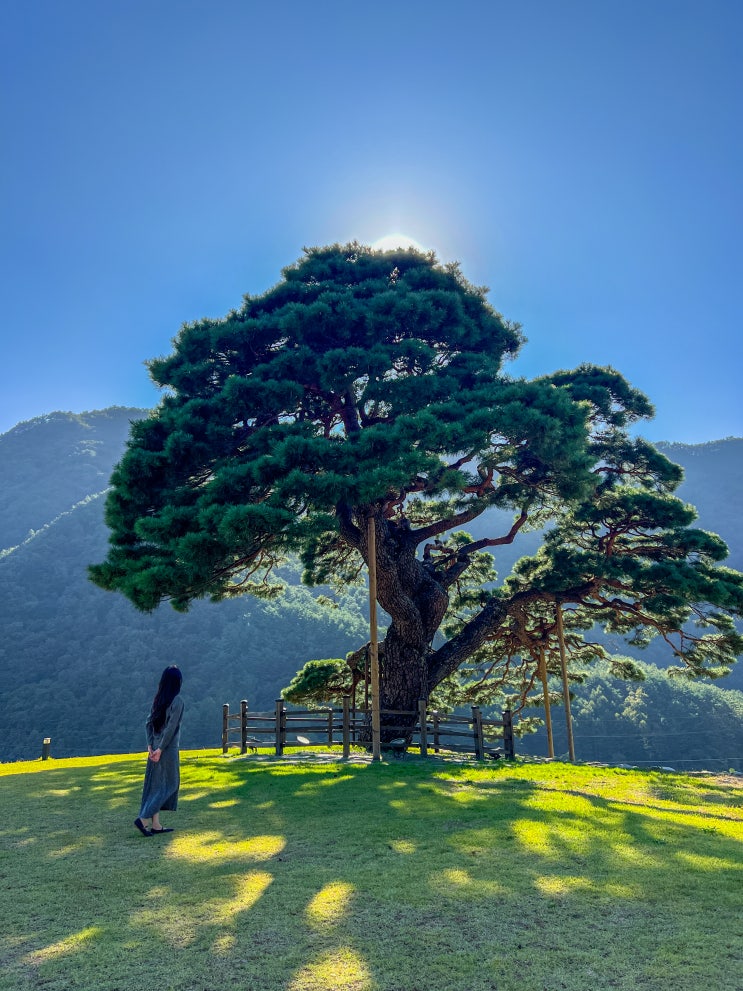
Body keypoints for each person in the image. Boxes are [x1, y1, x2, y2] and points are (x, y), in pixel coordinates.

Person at [134, 665, 184, 837]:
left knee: (155, 786)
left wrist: (151, 746)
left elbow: (148, 723)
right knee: (171, 784)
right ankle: (144, 820)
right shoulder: (177, 701)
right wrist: (161, 749)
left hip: (154, 749)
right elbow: (171, 728)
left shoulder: (158, 700)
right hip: (166, 750)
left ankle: (156, 824)